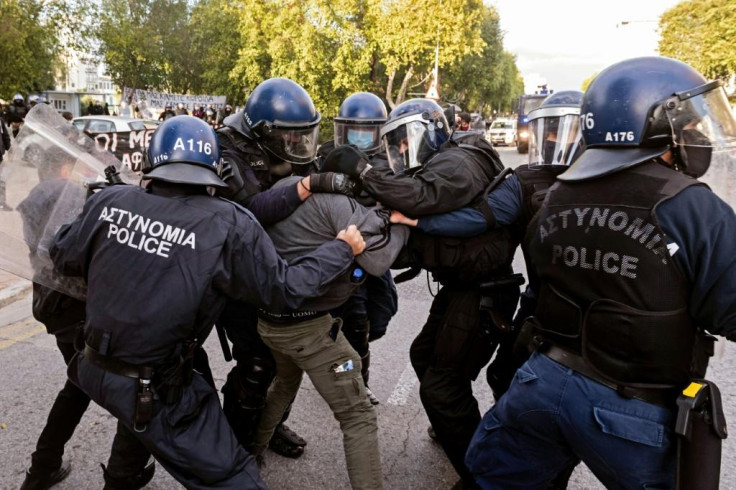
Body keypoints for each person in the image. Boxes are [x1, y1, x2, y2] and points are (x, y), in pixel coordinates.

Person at [50, 115, 365, 488]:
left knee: (139, 417)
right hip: (155, 386)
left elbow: (62, 253)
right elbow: (286, 290)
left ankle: (119, 477)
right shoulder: (229, 222)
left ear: (153, 163)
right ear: (213, 171)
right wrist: (341, 249)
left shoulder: (111, 200)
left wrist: (101, 213)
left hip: (94, 368)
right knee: (235, 477)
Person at [465, 56, 736, 489]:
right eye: (688, 127)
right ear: (655, 128)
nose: (696, 136)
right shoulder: (691, 206)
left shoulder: (557, 193)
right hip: (634, 405)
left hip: (541, 380)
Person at [326, 98, 514, 489]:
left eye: (405, 139)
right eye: (395, 142)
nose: (400, 150)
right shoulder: (450, 159)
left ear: (432, 129)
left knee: (442, 388)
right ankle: (458, 432)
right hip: (464, 286)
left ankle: (483, 476)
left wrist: (363, 171)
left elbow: (419, 197)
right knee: (424, 357)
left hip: (482, 292)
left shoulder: (456, 163)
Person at [394, 90, 584, 399]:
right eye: (548, 130)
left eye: (566, 130)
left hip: (599, 318)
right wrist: (418, 223)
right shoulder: (526, 181)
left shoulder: (623, 187)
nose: (555, 139)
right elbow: (479, 218)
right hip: (539, 303)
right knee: (503, 377)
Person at [215, 77, 355, 458]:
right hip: (238, 274)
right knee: (256, 365)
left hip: (284, 267)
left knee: (285, 362)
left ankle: (268, 426)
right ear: (264, 133)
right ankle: (235, 449)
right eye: (290, 138)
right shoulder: (228, 153)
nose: (298, 146)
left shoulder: (285, 148)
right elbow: (250, 212)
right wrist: (307, 186)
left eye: (303, 137)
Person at [251, 172, 409, 489]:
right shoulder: (340, 207)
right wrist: (403, 223)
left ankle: (248, 455)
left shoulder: (288, 189)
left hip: (270, 323)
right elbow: (377, 262)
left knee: (284, 383)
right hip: (309, 335)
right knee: (358, 414)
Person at [17, 147, 155, 490]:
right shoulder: (68, 198)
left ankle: (44, 466)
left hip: (54, 309)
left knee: (79, 386)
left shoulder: (34, 197)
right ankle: (119, 472)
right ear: (64, 168)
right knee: (120, 384)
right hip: (78, 309)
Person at [320, 91, 399, 405]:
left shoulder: (388, 162)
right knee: (353, 325)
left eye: (368, 131)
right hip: (339, 254)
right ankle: (355, 384)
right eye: (354, 130)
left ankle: (346, 369)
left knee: (382, 312)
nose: (359, 139)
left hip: (372, 254)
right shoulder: (327, 156)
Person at [0, 109, 12, 211]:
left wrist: (10, 150)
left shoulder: (0, 121)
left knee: (2, 180)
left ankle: (2, 203)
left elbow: (5, 136)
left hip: (0, 156)